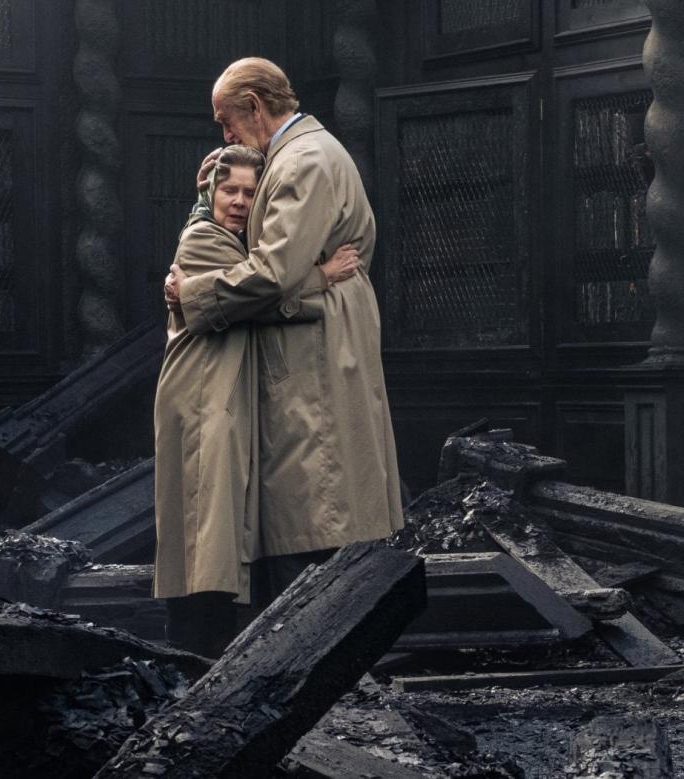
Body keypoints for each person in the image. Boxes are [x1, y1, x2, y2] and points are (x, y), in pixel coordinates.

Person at [164, 57, 404, 604]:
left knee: (314, 497)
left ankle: (312, 642)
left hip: (314, 344)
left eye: (227, 122)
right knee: (317, 495)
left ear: (254, 105)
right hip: (318, 331)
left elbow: (273, 273)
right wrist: (211, 189)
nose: (224, 134)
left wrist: (193, 293)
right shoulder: (300, 154)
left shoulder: (302, 161)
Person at [153, 144, 358, 657]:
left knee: (218, 521)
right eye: (229, 190)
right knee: (206, 520)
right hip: (201, 396)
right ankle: (194, 646)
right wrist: (321, 276)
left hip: (222, 392)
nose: (240, 201)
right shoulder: (203, 239)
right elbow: (261, 292)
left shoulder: (236, 242)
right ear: (210, 193)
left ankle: (212, 644)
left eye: (250, 192)